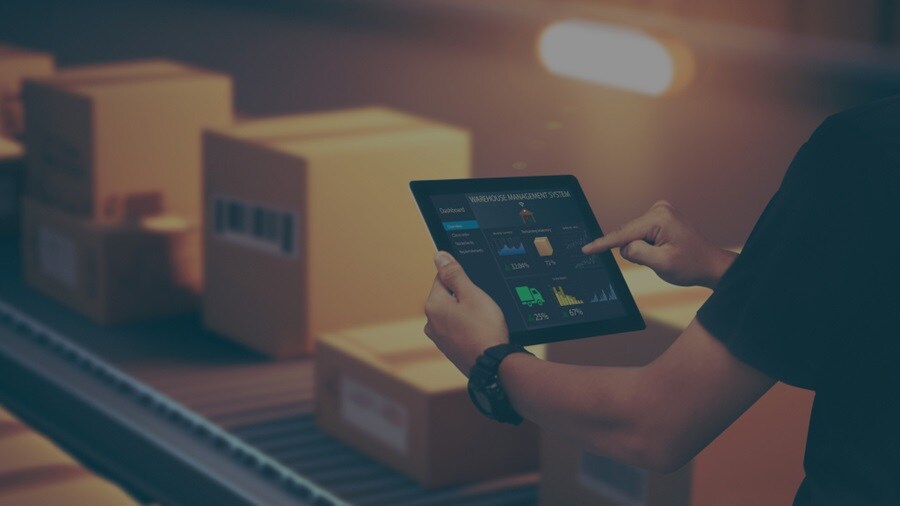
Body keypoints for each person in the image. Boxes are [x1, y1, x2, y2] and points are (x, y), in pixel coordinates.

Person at [423, 95, 899, 506]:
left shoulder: (863, 148)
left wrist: (490, 362)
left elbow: (653, 425)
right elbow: (880, 342)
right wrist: (721, 266)